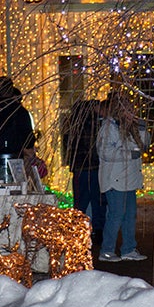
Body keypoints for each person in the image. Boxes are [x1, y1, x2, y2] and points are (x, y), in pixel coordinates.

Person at [97, 88, 149, 262]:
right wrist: (129, 155)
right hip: (115, 179)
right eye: (128, 109)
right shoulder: (108, 128)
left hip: (128, 178)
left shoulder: (130, 127)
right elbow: (105, 152)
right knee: (116, 215)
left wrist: (141, 127)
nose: (132, 112)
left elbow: (143, 146)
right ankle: (107, 250)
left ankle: (128, 248)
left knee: (129, 215)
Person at [62, 99, 105, 238]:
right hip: (93, 167)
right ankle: (98, 229)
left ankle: (78, 229)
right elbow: (92, 146)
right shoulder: (93, 124)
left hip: (79, 168)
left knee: (81, 200)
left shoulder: (71, 125)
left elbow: (67, 146)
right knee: (96, 199)